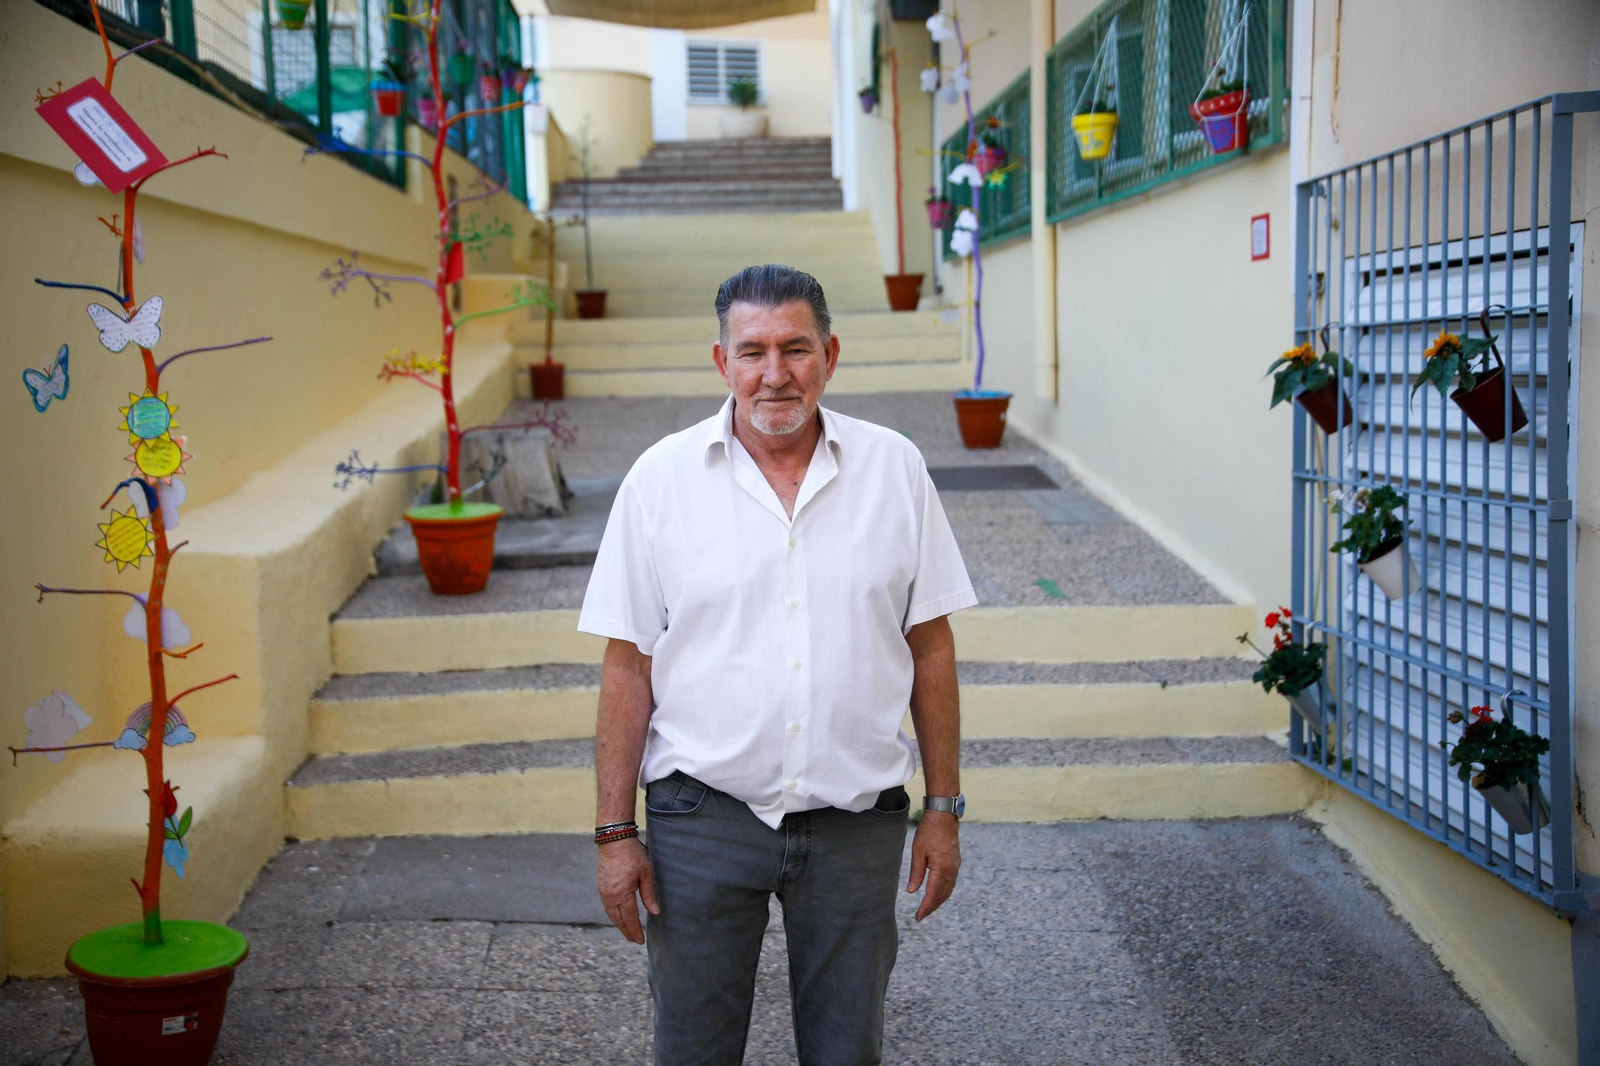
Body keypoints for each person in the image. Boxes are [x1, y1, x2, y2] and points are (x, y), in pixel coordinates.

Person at [579, 263, 975, 1066]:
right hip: (702, 821)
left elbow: (929, 645)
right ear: (721, 363)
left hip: (855, 825)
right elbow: (627, 667)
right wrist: (615, 833)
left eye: (796, 349)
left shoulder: (895, 468)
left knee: (845, 1051)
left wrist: (943, 807)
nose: (775, 373)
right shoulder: (660, 482)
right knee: (693, 1048)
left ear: (830, 355)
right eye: (752, 350)